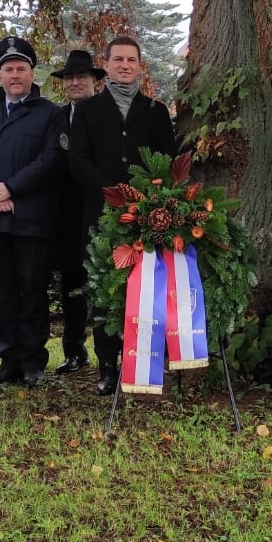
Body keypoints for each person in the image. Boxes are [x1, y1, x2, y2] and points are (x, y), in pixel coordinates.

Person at [69, 36, 180, 395]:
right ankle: (107, 365)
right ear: (107, 64)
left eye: (131, 59)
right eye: (118, 59)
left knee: (147, 287)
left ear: (140, 65)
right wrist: (114, 194)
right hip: (102, 214)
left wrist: (146, 199)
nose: (125, 65)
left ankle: (147, 359)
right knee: (105, 291)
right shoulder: (87, 111)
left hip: (147, 217)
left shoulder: (156, 111)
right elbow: (78, 161)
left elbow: (169, 161)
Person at [0, 35, 68, 387]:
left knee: (32, 291)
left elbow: (51, 160)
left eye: (21, 68)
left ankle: (32, 362)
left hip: (32, 220)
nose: (15, 75)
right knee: (4, 293)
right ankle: (8, 361)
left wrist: (11, 187)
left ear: (31, 73)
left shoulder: (51, 115)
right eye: (8, 69)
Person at [50, 48, 106, 377]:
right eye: (69, 78)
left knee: (102, 285)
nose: (74, 82)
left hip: (100, 210)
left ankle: (108, 355)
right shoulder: (56, 118)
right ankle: (74, 351)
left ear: (95, 81)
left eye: (81, 77)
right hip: (66, 214)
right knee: (71, 284)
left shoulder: (107, 116)